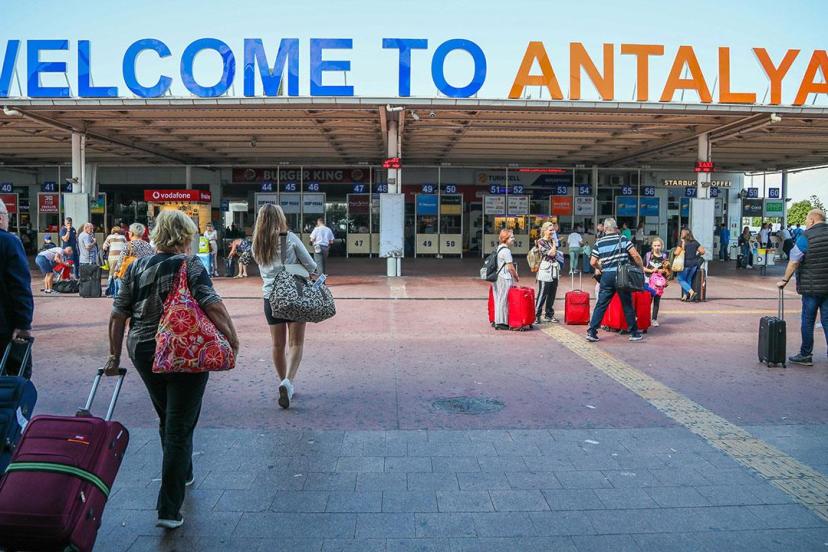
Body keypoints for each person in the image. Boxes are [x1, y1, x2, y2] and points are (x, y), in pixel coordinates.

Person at [107, 210, 239, 530]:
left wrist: (113, 356)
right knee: (179, 425)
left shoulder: (136, 266)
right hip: (183, 349)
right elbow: (212, 304)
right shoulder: (189, 264)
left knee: (167, 414)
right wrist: (232, 339)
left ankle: (184, 471)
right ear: (183, 236)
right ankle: (168, 509)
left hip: (143, 350)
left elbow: (118, 314)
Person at [252, 204, 319, 409]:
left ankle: (283, 381)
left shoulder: (257, 242)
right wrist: (295, 267)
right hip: (294, 294)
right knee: (295, 343)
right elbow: (311, 265)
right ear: (280, 218)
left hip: (270, 297)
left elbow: (262, 267)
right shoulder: (289, 238)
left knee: (277, 345)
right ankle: (288, 382)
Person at [777, 209, 828, 367]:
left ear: (812, 220)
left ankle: (805, 355)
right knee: (827, 320)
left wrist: (784, 280)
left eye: (807, 220)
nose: (806, 223)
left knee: (808, 320)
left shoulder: (806, 237)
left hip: (811, 288)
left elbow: (794, 261)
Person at [586, 218, 645, 343]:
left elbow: (592, 262)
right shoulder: (623, 239)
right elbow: (635, 255)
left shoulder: (599, 242)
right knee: (627, 304)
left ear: (605, 229)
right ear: (616, 228)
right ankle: (634, 333)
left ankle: (592, 332)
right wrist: (641, 268)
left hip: (606, 276)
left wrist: (600, 268)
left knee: (601, 304)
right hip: (622, 276)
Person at [0, 198, 33, 361]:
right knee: (15, 371)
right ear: (1, 218)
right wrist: (23, 323)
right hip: (5, 327)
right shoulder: (8, 241)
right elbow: (19, 286)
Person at [493, 229, 519, 330]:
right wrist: (516, 276)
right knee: (504, 299)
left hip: (497, 277)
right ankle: (502, 322)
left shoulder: (498, 248)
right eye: (511, 237)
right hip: (504, 277)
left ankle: (497, 320)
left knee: (498, 299)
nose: (513, 239)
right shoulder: (506, 251)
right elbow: (510, 267)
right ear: (506, 238)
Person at [535, 222, 560, 324]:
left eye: (553, 230)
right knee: (543, 293)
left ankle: (549, 314)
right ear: (544, 230)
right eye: (550, 230)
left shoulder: (551, 241)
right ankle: (536, 315)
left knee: (552, 293)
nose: (552, 232)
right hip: (545, 269)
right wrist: (554, 244)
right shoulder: (541, 241)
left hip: (554, 269)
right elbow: (552, 253)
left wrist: (553, 243)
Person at [643, 237, 670, 327]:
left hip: (659, 282)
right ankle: (645, 318)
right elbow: (642, 267)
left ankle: (654, 319)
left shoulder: (664, 256)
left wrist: (662, 271)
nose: (657, 247)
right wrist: (651, 271)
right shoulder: (648, 255)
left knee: (657, 301)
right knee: (648, 300)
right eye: (655, 245)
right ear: (652, 246)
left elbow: (667, 269)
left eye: (658, 245)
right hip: (648, 281)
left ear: (661, 246)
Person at [674, 229, 706, 302]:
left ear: (685, 234)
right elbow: (702, 251)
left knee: (680, 279)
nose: (681, 234)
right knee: (688, 279)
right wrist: (696, 255)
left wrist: (675, 250)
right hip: (694, 264)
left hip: (685, 264)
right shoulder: (695, 242)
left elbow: (677, 253)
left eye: (682, 233)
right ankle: (685, 296)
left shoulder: (682, 242)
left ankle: (691, 292)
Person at [102, 226, 128, 297]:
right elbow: (126, 247)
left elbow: (104, 247)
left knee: (111, 273)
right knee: (120, 273)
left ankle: (110, 291)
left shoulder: (109, 237)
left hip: (112, 257)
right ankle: (119, 291)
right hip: (121, 258)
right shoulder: (123, 237)